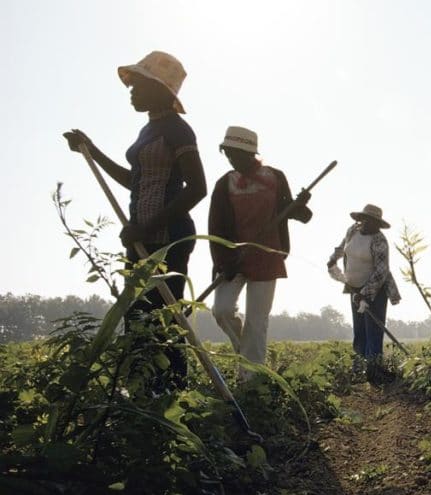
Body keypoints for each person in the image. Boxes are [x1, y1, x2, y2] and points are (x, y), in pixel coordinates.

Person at [63, 51, 206, 391]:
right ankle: (142, 394)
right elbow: (135, 181)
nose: (131, 90)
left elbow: (197, 188)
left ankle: (172, 394)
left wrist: (148, 225)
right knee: (138, 317)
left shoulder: (178, 129)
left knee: (165, 320)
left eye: (138, 84)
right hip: (140, 238)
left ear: (160, 89)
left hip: (168, 238)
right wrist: (91, 150)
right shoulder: (149, 129)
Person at [208, 126, 312, 380]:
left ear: (249, 153)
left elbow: (295, 213)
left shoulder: (275, 177)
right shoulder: (225, 184)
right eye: (228, 154)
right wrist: (223, 261)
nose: (231, 159)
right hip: (234, 260)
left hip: (267, 258)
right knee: (221, 310)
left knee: (257, 323)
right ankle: (244, 352)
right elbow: (215, 227)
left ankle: (251, 383)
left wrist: (301, 204)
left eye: (235, 154)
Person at [327, 204, 401, 383]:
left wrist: (366, 293)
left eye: (375, 222)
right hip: (354, 288)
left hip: (376, 290)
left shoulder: (379, 240)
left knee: (373, 330)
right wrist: (332, 260)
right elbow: (342, 248)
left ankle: (374, 370)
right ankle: (359, 370)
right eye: (368, 221)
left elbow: (381, 272)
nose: (371, 225)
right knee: (359, 330)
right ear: (362, 220)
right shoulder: (353, 231)